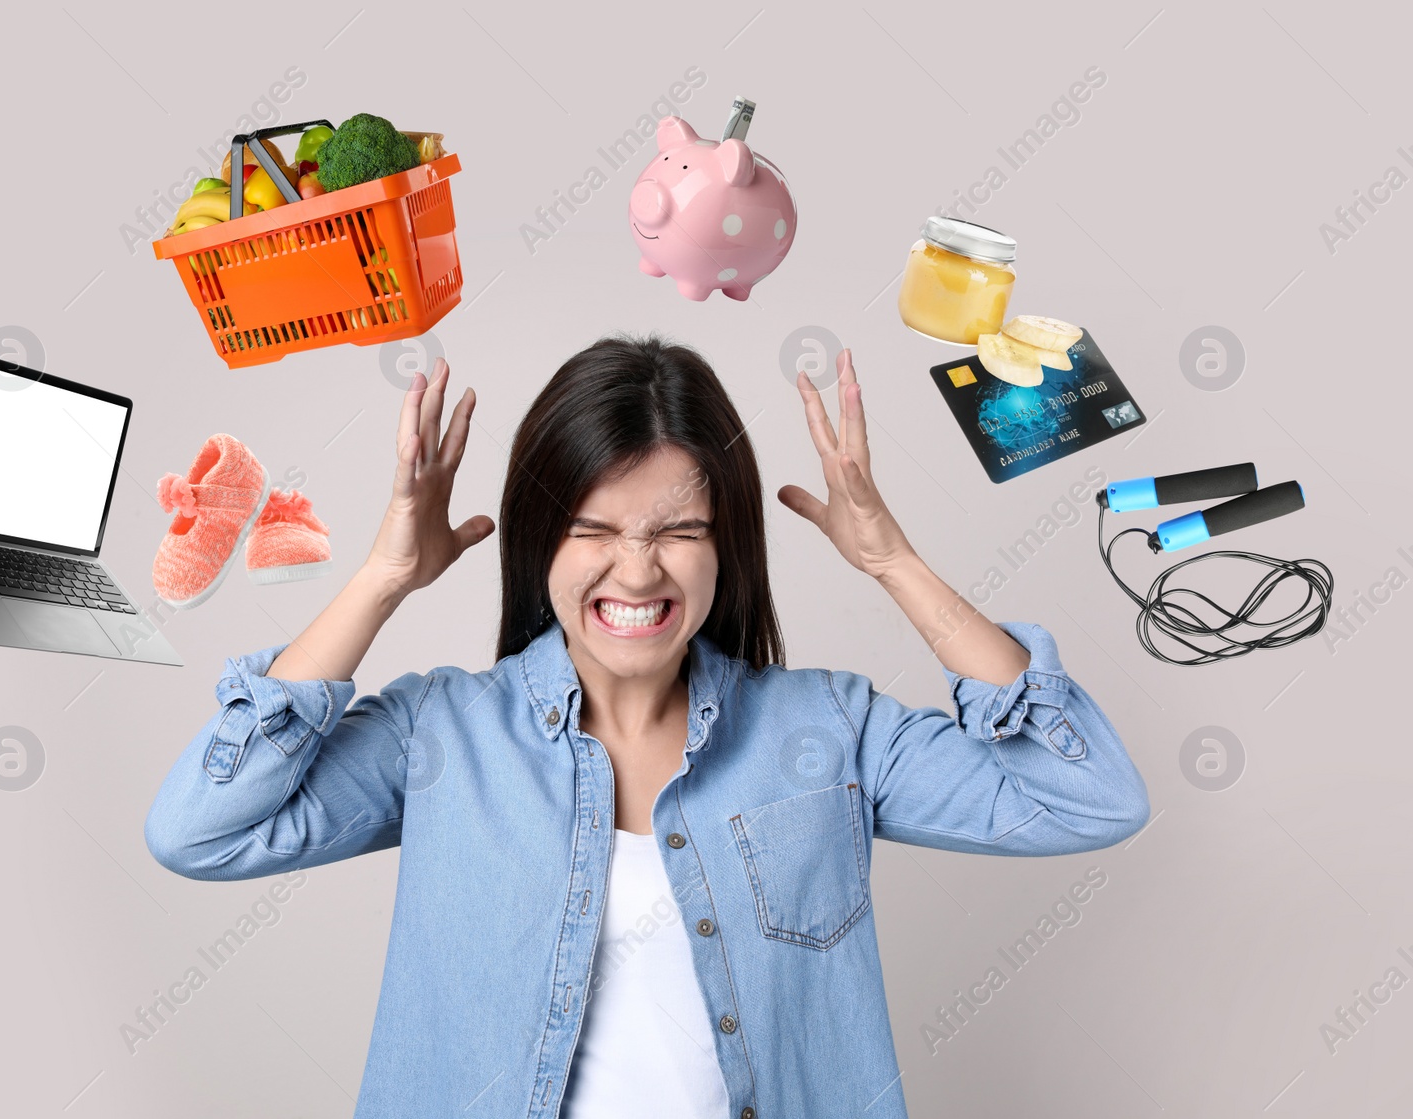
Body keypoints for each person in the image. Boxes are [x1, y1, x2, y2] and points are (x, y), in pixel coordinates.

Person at [144, 335, 1151, 1119]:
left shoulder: (828, 733)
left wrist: (891, 559)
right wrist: (382, 579)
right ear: (544, 543)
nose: (636, 572)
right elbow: (200, 829)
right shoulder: (440, 736)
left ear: (727, 548)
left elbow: (1089, 797)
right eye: (591, 531)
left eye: (677, 532)